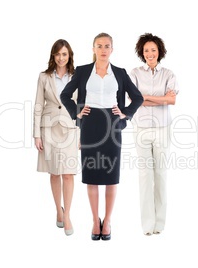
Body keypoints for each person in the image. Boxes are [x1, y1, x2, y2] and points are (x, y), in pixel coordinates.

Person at [61, 32, 143, 241]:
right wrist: (76, 113)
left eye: (107, 46)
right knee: (92, 176)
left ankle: (107, 221)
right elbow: (65, 95)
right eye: (99, 46)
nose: (103, 50)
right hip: (90, 124)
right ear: (93, 49)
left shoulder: (120, 73)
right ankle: (94, 220)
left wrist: (126, 113)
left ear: (112, 49)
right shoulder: (82, 71)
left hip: (112, 124)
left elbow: (138, 97)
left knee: (110, 176)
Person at [129, 33, 179, 236]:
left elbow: (172, 100)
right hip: (140, 127)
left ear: (160, 51)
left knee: (161, 174)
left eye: (153, 49)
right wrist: (161, 98)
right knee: (144, 175)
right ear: (142, 52)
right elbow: (133, 100)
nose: (150, 53)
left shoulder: (168, 74)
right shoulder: (134, 73)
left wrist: (146, 97)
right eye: (146, 50)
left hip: (162, 128)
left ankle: (160, 223)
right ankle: (147, 225)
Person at [33, 39, 79, 236]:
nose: (61, 58)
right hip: (49, 129)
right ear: (53, 55)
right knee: (54, 173)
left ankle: (67, 214)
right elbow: (37, 106)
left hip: (70, 128)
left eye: (65, 54)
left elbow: (83, 106)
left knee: (68, 173)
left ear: (69, 56)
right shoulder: (44, 77)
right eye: (58, 54)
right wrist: (36, 134)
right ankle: (57, 210)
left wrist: (83, 134)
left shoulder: (77, 77)